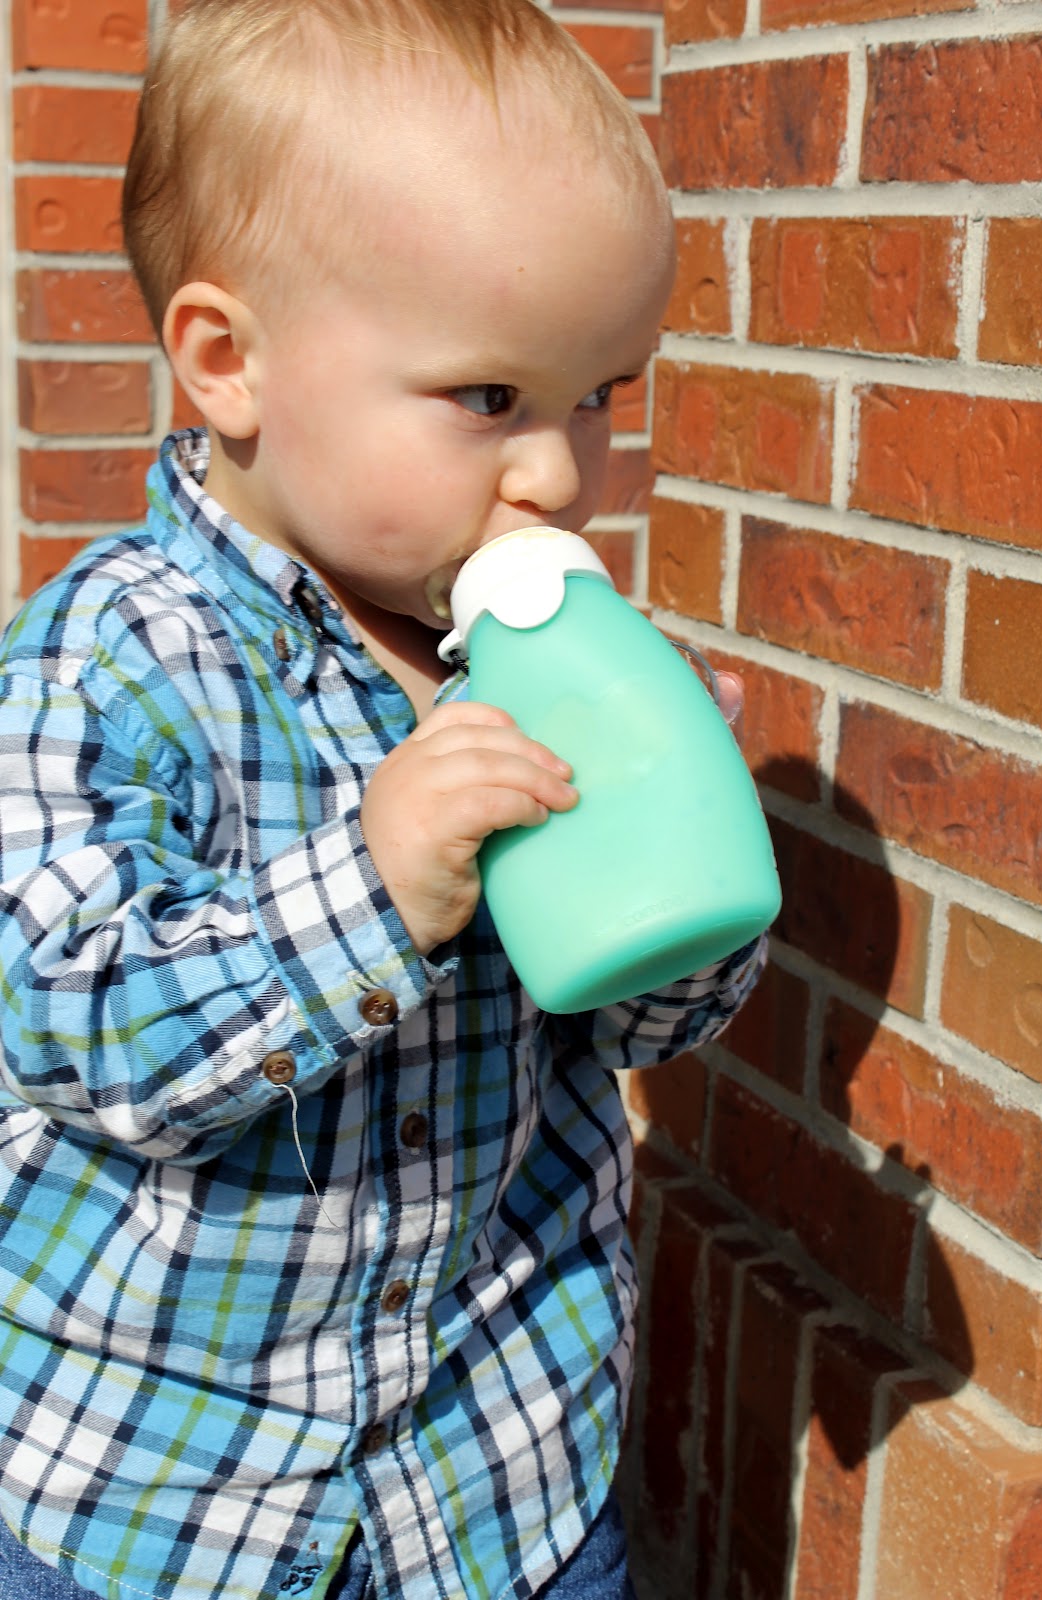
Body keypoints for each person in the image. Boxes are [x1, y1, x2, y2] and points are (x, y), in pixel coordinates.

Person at [0, 3, 766, 1598]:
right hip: (165, 1498)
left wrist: (678, 833)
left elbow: (640, 1020)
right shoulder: (119, 651)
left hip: (500, 1477)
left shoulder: (540, 658)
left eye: (597, 397)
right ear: (230, 362)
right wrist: (375, 880)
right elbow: (73, 1029)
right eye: (490, 399)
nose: (558, 475)